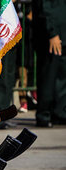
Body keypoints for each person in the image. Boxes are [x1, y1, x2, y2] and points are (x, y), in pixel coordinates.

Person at [32, 0, 66, 128]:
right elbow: (45, 8)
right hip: (51, 36)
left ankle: (60, 113)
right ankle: (43, 114)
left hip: (63, 33)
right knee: (48, 77)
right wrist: (52, 33)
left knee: (62, 77)